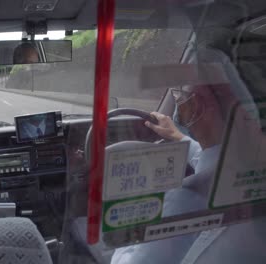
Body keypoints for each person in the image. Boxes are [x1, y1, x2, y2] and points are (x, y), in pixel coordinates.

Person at [110, 47, 265, 263]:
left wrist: (129, 227)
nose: (179, 105)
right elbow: (212, 157)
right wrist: (178, 137)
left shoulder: (186, 200)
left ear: (197, 106)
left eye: (181, 97)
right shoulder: (247, 164)